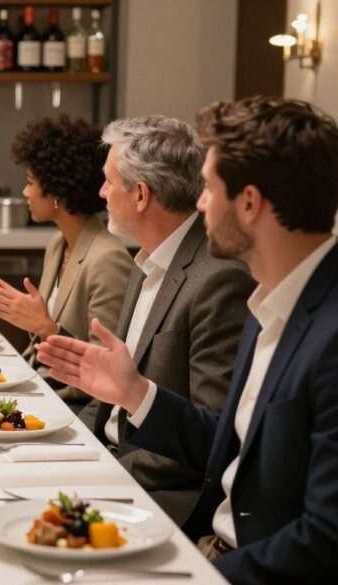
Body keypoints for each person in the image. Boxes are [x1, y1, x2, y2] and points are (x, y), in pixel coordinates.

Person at [37, 96, 338, 583]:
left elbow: (324, 542)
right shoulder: (270, 303)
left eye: (209, 188)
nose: (198, 203)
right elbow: (223, 447)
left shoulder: (327, 333)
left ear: (250, 203)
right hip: (212, 548)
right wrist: (136, 394)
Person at [72, 116, 256, 524]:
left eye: (107, 181)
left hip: (160, 496)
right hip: (109, 467)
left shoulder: (218, 279)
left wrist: (101, 477)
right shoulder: (147, 259)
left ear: (140, 194)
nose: (101, 193)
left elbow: (213, 439)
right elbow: (109, 400)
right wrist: (71, 450)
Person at [0, 115, 132, 403]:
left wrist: (47, 328)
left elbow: (108, 369)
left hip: (73, 404)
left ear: (57, 189)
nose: (25, 192)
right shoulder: (57, 245)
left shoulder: (108, 259)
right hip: (44, 391)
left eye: (30, 182)